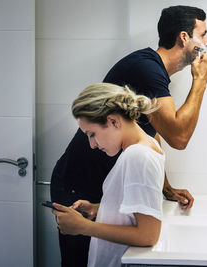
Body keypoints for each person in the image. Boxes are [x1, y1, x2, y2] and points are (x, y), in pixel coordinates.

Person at [50, 5, 207, 267]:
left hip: (100, 181)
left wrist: (166, 188)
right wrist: (200, 82)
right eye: (203, 34)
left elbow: (152, 134)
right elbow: (179, 137)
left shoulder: (151, 70)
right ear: (184, 38)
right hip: (80, 180)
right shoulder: (147, 69)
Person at [52, 83, 164, 267]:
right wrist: (99, 208)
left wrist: (83, 227)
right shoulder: (147, 145)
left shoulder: (138, 156)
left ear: (113, 121)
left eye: (92, 134)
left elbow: (148, 235)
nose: (92, 145)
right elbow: (136, 208)